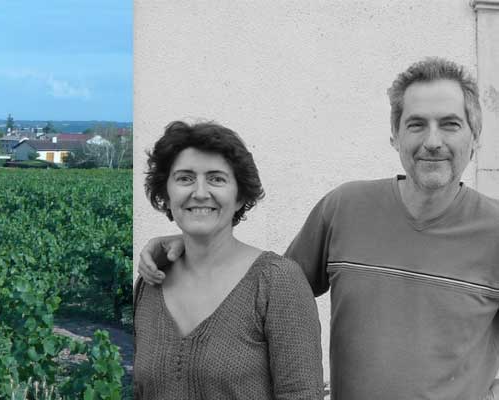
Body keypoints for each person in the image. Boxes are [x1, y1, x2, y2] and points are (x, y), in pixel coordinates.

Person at [137, 57, 499, 399]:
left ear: (476, 136)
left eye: (450, 124)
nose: (432, 141)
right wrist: (194, 241)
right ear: (394, 135)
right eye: (416, 124)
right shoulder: (344, 208)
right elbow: (262, 292)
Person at [134, 121, 323, 399]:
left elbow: (302, 394)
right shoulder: (150, 283)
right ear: (166, 193)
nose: (199, 192)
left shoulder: (277, 282)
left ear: (239, 197)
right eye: (185, 178)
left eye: (216, 179)